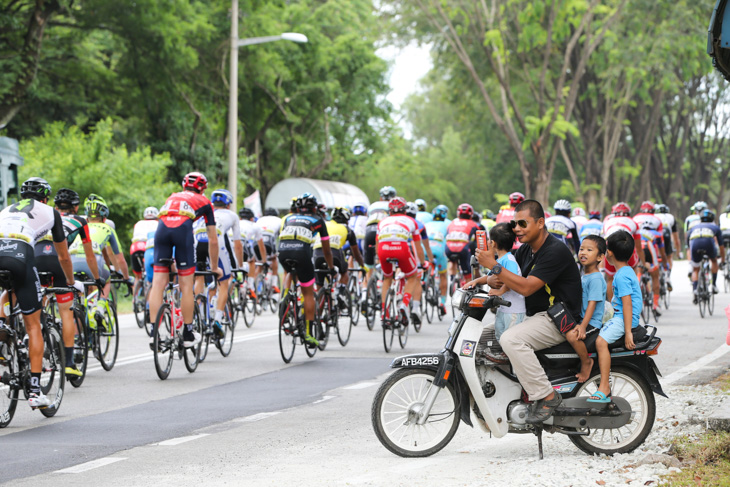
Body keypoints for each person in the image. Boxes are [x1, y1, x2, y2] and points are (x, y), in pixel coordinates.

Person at [476, 199, 582, 424]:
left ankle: (546, 395)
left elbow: (525, 287)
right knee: (482, 336)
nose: (517, 229)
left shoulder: (554, 250)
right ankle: (511, 393)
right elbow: (510, 279)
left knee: (511, 339)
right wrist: (483, 281)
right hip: (535, 315)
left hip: (558, 318)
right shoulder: (525, 251)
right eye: (514, 224)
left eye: (523, 223)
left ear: (540, 223)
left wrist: (494, 266)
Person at [0, 178, 82, 408]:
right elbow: (63, 256)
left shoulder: (7, 208)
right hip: (20, 254)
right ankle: (35, 391)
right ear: (46, 198)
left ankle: (1, 329)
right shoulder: (51, 212)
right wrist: (71, 281)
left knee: (8, 290)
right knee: (33, 325)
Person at [148, 172, 221, 349]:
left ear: (184, 186)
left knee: (158, 283)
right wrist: (214, 267)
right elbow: (212, 238)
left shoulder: (173, 197)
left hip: (162, 229)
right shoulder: (205, 202)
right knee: (186, 284)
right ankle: (188, 333)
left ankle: (153, 333)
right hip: (182, 230)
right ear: (202, 188)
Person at [37, 188, 103, 378]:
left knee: (38, 303)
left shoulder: (47, 214)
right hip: (57, 260)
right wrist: (97, 279)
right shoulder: (81, 221)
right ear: (76, 207)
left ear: (55, 205)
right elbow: (90, 255)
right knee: (66, 311)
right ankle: (70, 363)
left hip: (35, 257)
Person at [587, 230, 641, 403]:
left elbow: (627, 303)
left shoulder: (622, 276)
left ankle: (604, 385)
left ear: (608, 253)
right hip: (621, 316)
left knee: (600, 342)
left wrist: (628, 331)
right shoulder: (627, 271)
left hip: (625, 318)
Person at [278, 193, 334, 347]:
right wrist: (330, 267)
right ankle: (308, 333)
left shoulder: (289, 218)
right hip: (301, 253)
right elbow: (327, 251)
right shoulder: (318, 220)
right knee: (308, 293)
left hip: (283, 251)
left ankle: (285, 297)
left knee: (289, 270)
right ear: (315, 208)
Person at [464, 223, 525, 340]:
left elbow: (512, 279)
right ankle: (503, 355)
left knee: (511, 337)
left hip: (514, 310)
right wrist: (475, 281)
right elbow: (489, 277)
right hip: (503, 308)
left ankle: (508, 356)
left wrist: (500, 291)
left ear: (493, 243)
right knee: (499, 334)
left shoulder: (509, 260)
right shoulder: (498, 260)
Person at [197, 189, 243, 338]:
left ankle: (199, 313)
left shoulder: (205, 211)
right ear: (228, 204)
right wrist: (239, 267)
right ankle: (217, 319)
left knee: (199, 278)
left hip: (197, 241)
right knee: (224, 281)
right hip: (214, 240)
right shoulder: (232, 216)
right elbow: (237, 244)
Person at [70, 195, 132, 299]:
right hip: (92, 261)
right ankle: (99, 308)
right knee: (106, 282)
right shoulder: (108, 228)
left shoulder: (80, 225)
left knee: (77, 291)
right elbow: (119, 258)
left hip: (72, 261)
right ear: (104, 217)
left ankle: (78, 311)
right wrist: (126, 277)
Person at [376, 197, 426, 327]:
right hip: (401, 248)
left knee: (387, 278)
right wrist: (423, 262)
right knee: (412, 276)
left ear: (389, 211)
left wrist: (379, 259)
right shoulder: (412, 221)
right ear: (405, 211)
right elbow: (418, 246)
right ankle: (404, 303)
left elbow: (377, 244)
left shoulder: (382, 222)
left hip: (383, 249)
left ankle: (385, 313)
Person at [565, 235, 606, 383]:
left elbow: (592, 304)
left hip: (592, 323)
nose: (583, 252)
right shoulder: (585, 275)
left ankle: (586, 362)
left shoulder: (595, 278)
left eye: (589, 250)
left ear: (600, 257)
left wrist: (583, 326)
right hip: (582, 319)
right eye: (581, 249)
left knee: (571, 336)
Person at [313, 206, 364, 302]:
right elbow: (356, 253)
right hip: (334, 253)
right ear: (346, 219)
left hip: (317, 252)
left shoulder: (324, 224)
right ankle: (340, 292)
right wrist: (363, 265)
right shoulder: (347, 229)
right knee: (344, 271)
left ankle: (319, 310)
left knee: (319, 283)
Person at [602, 202, 645, 301]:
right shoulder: (633, 222)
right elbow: (638, 247)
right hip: (626, 248)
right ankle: (634, 299)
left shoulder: (607, 221)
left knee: (610, 279)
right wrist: (642, 262)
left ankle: (613, 308)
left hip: (610, 249)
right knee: (633, 273)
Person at [633, 201, 668, 315]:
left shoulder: (635, 218)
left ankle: (637, 287)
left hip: (636, 245)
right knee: (655, 276)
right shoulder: (657, 221)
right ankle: (655, 305)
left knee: (639, 269)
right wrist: (664, 262)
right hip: (649, 246)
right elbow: (661, 248)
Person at [405, 201, 434, 325]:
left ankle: (398, 296)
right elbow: (425, 246)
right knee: (416, 278)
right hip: (412, 248)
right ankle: (415, 309)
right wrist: (430, 259)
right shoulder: (419, 224)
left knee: (398, 273)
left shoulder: (397, 221)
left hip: (395, 247)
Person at [687, 209, 726, 297]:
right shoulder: (715, 227)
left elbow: (688, 245)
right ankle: (714, 285)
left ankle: (695, 289)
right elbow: (721, 246)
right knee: (714, 261)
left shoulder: (694, 227)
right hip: (708, 243)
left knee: (696, 269)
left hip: (695, 243)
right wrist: (722, 260)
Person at [364, 186, 396, 284]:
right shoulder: (393, 206)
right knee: (390, 257)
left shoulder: (373, 205)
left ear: (381, 197)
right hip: (382, 232)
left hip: (369, 231)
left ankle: (365, 291)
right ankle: (386, 279)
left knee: (368, 267)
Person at [445, 203, 483, 284]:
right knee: (467, 271)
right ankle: (468, 288)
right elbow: (479, 239)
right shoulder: (473, 224)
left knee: (452, 261)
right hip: (463, 249)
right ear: (471, 214)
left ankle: (452, 280)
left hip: (448, 249)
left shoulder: (452, 223)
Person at [425, 204, 450, 316]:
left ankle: (424, 280)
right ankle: (443, 303)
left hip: (426, 249)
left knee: (424, 266)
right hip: (439, 249)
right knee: (443, 275)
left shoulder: (427, 224)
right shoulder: (448, 224)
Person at [130, 207, 159, 301]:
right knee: (151, 275)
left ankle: (134, 300)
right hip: (148, 247)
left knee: (137, 276)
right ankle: (149, 300)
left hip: (135, 247)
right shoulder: (158, 223)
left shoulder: (138, 223)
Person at [239, 207, 266, 298]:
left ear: (240, 218)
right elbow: (261, 246)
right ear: (252, 219)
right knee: (251, 261)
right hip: (242, 243)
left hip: (230, 244)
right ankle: (250, 286)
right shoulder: (255, 225)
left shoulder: (237, 222)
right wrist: (264, 260)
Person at [255, 208, 282, 290]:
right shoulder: (279, 220)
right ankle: (274, 284)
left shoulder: (259, 220)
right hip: (269, 240)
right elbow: (281, 236)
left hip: (257, 242)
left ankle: (253, 287)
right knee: (274, 259)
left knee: (260, 263)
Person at [654, 203, 680, 282]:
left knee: (656, 255)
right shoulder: (671, 217)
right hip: (667, 233)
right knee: (669, 256)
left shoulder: (654, 216)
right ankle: (668, 276)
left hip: (656, 235)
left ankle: (657, 272)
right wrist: (677, 252)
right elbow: (676, 237)